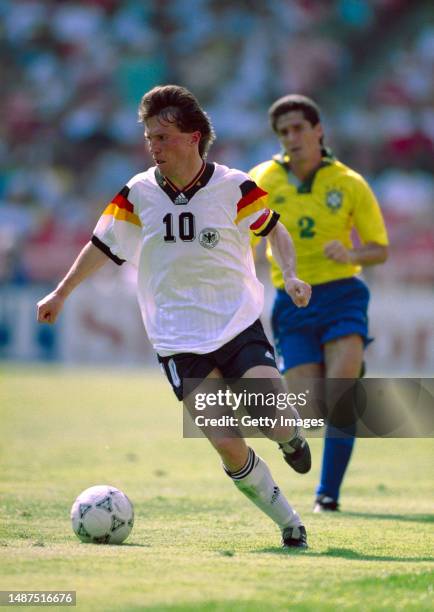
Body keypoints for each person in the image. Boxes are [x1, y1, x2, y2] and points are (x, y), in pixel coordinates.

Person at [37, 85, 313, 548]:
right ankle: (290, 523)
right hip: (176, 338)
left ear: (193, 137)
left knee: (274, 415)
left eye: (163, 137)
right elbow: (101, 245)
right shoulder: (138, 191)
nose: (153, 147)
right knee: (227, 443)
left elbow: (275, 230)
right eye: (149, 138)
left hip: (236, 323)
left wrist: (291, 274)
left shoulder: (234, 185)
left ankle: (290, 439)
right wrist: (61, 292)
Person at [249, 94, 388, 513]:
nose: (292, 137)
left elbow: (379, 249)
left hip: (343, 294)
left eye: (298, 129)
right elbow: (244, 239)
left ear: (318, 130)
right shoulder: (262, 180)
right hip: (292, 301)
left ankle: (327, 494)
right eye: (283, 132)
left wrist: (352, 254)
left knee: (341, 393)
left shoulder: (349, 183)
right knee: (309, 405)